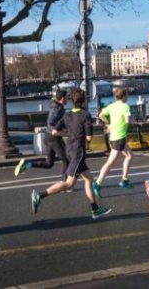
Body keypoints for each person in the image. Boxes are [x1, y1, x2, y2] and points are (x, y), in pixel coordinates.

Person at [31, 88, 112, 219]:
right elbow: (89, 138)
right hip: (78, 153)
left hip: (69, 150)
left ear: (73, 102)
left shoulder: (67, 115)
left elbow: (54, 131)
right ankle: (39, 195)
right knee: (69, 184)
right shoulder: (85, 115)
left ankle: (95, 209)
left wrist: (69, 134)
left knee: (89, 178)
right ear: (83, 101)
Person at [15, 90, 68, 177]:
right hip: (53, 138)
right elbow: (51, 122)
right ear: (62, 98)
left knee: (49, 164)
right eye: (67, 97)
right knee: (66, 159)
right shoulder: (57, 109)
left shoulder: (56, 107)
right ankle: (64, 183)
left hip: (47, 137)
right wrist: (55, 131)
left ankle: (28, 164)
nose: (67, 99)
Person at [94, 87, 134, 197]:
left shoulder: (111, 106)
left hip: (113, 137)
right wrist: (132, 120)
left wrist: (109, 123)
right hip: (119, 138)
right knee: (111, 162)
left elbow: (101, 115)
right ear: (125, 96)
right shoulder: (125, 106)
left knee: (129, 155)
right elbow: (127, 120)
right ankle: (98, 183)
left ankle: (124, 180)